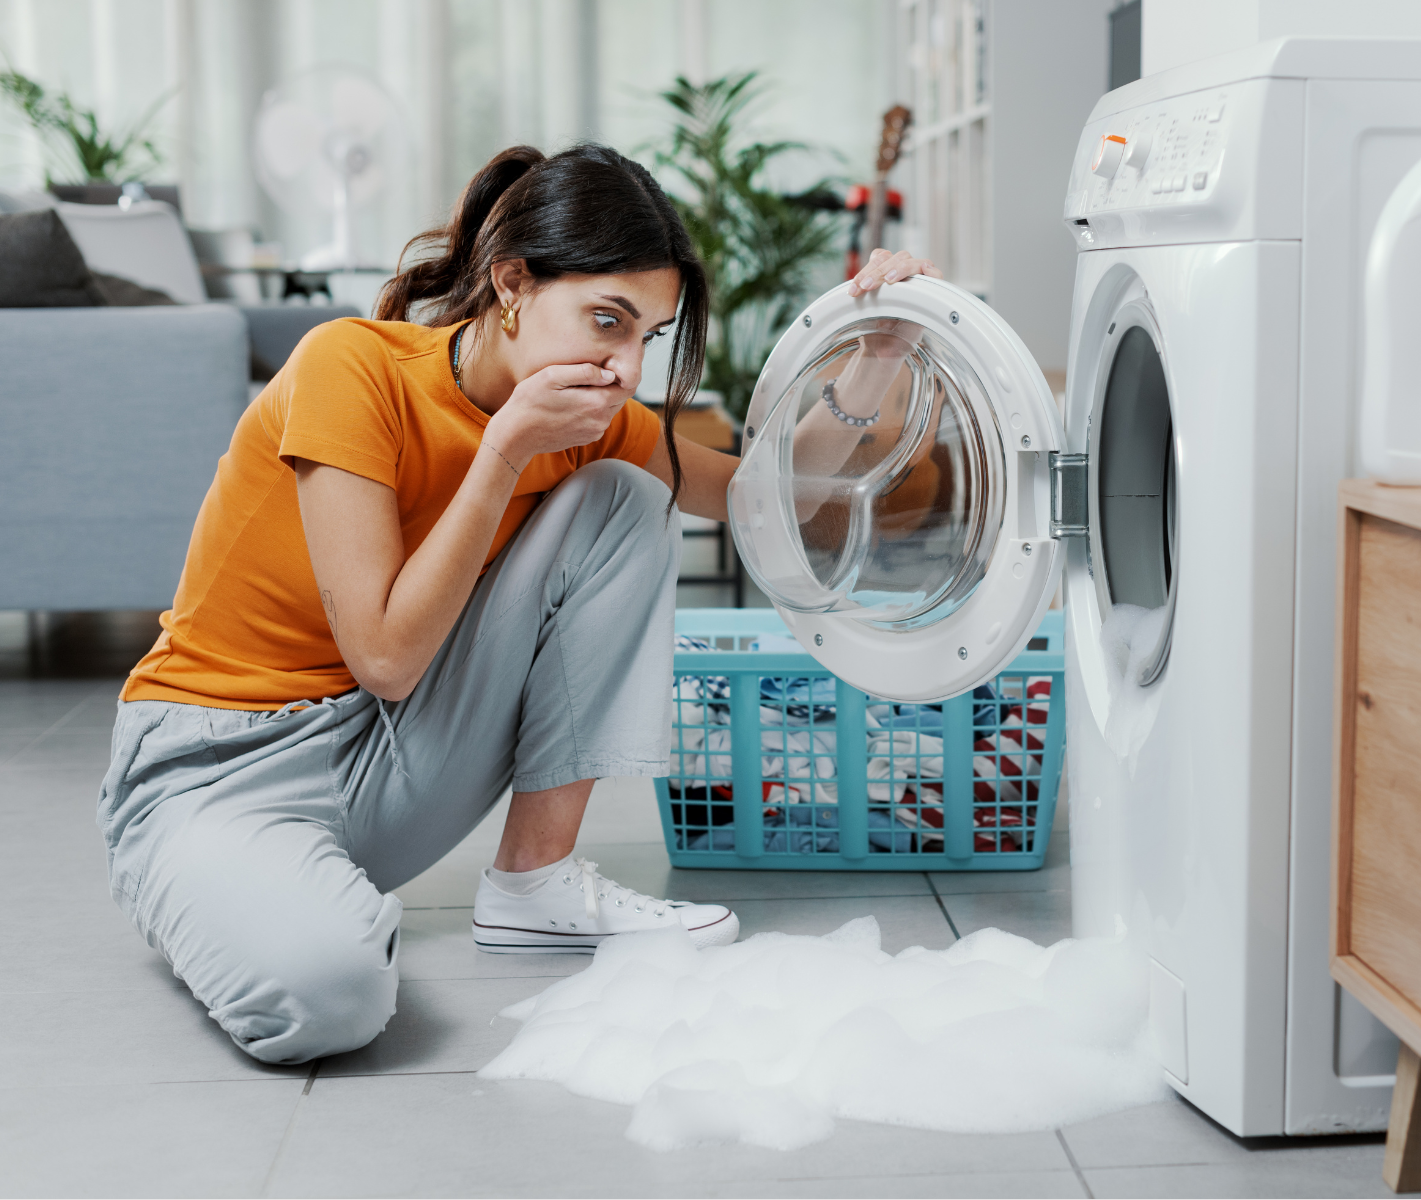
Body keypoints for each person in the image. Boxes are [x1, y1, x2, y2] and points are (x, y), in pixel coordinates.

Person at [95, 143, 940, 1065]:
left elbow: (769, 499)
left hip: (386, 752)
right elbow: (384, 654)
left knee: (622, 500)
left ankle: (533, 889)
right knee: (328, 1002)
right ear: (511, 284)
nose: (623, 367)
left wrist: (876, 358)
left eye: (645, 337)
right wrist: (503, 454)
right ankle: (226, 886)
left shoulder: (592, 425)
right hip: (217, 766)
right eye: (605, 320)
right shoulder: (352, 368)